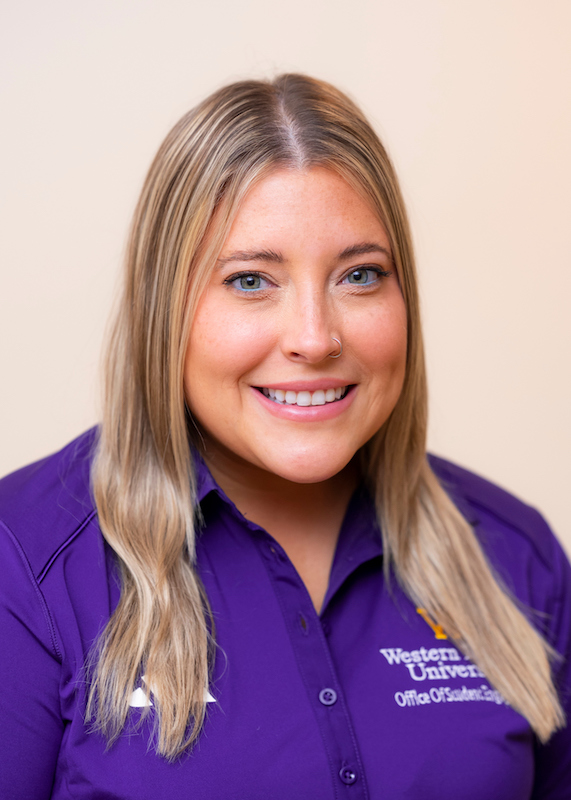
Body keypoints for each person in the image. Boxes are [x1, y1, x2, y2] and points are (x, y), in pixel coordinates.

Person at [0, 74, 570, 800]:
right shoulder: (25, 563)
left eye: (359, 275)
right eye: (250, 281)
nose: (314, 337)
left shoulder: (515, 554)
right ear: (163, 310)